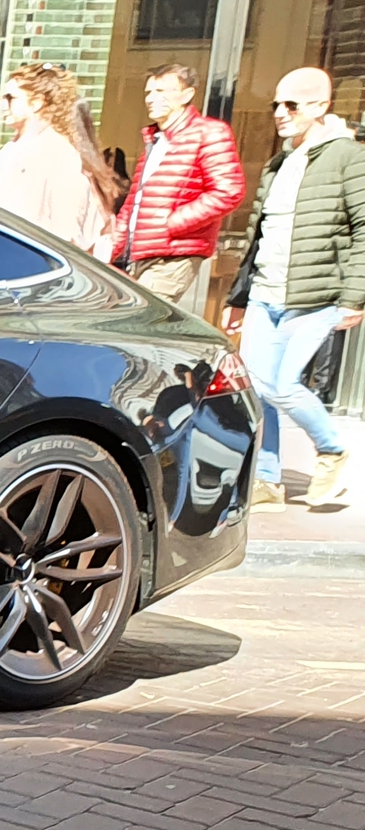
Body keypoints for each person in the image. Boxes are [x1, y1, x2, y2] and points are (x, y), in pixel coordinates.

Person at [224, 66, 359, 509]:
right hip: (266, 292)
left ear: (320, 107)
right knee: (257, 387)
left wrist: (354, 298)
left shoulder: (346, 158)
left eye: (291, 105)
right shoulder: (280, 162)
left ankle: (332, 450)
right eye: (276, 105)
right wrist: (240, 298)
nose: (280, 113)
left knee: (281, 385)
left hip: (315, 295)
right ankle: (266, 477)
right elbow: (258, 235)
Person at [112, 63, 245, 316]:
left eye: (161, 91)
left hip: (173, 255)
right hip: (143, 252)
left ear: (187, 95)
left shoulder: (209, 133)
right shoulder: (156, 138)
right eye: (149, 92)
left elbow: (229, 190)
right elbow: (134, 203)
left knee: (141, 322)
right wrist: (114, 245)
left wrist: (172, 223)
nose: (151, 99)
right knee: (136, 323)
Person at [0, 63, 120, 251]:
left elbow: (66, 234)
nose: (3, 104)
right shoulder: (11, 150)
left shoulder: (59, 155)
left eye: (10, 97)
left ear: (36, 103)